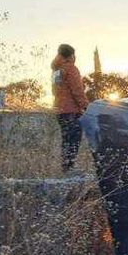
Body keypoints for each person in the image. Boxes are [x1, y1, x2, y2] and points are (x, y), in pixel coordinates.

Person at [51, 44, 90, 173]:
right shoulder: (71, 69)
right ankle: (69, 168)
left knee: (66, 138)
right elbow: (77, 91)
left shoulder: (56, 70)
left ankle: (66, 167)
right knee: (74, 138)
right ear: (71, 55)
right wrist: (85, 107)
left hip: (59, 110)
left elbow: (53, 91)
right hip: (71, 110)